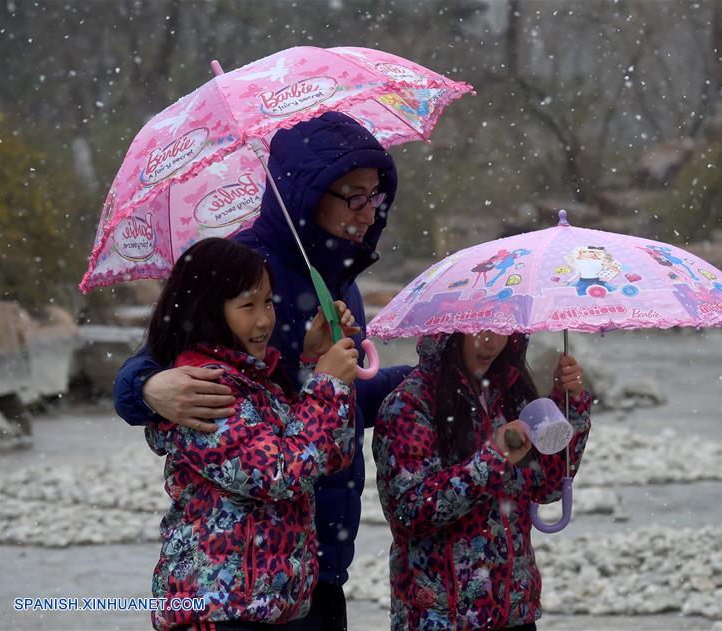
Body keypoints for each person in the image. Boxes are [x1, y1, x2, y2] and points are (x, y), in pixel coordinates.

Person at [114, 112, 411, 630]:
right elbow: (159, 365)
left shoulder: (341, 283)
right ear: (309, 191)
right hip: (240, 583)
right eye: (354, 197)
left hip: (312, 562)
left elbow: (334, 404)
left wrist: (421, 380)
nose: (368, 213)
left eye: (376, 198)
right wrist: (146, 387)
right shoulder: (241, 269)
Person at [144, 237, 360, 630]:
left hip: (267, 607)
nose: (264, 320)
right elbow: (277, 474)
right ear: (208, 310)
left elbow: (332, 455)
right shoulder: (201, 389)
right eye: (248, 305)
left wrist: (314, 364)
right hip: (219, 612)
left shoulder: (258, 382)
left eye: (267, 302)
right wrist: (327, 385)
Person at [373, 331, 592, 630]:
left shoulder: (510, 392)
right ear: (450, 333)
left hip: (513, 612)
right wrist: (494, 459)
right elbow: (410, 512)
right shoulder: (409, 405)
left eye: (501, 330)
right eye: (480, 331)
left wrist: (571, 405)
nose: (491, 343)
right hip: (441, 617)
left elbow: (548, 487)